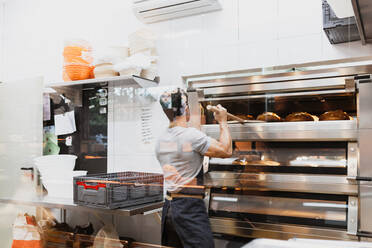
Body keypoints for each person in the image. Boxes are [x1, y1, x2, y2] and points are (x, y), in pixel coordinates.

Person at [155, 88, 232, 248]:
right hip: (189, 208)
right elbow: (226, 150)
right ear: (186, 109)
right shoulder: (190, 136)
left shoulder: (162, 138)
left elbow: (186, 151)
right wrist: (223, 121)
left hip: (169, 208)